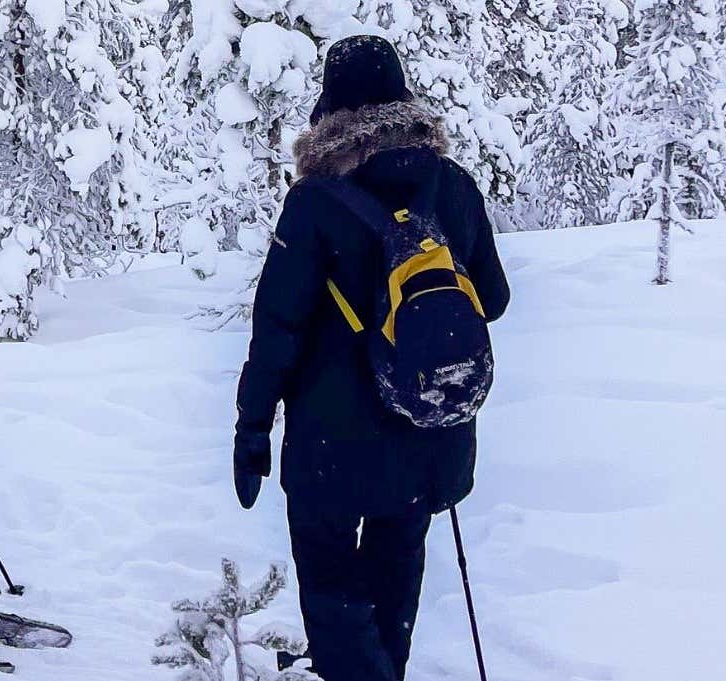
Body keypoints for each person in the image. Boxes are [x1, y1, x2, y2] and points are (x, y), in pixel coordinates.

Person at [232, 35, 511, 681]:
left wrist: (251, 427)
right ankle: (380, 665)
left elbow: (277, 327)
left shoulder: (315, 200)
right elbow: (492, 299)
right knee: (397, 569)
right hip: (428, 421)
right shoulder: (453, 185)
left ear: (330, 104)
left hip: (332, 438)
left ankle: (355, 670)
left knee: (331, 583)